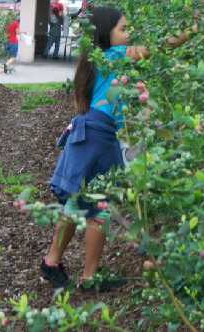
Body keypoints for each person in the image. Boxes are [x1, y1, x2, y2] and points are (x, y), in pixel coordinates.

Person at [40, 6, 191, 292]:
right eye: (123, 29)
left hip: (86, 134)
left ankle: (51, 262)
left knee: (74, 203)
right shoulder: (114, 55)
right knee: (101, 208)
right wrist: (191, 31)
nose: (129, 33)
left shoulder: (95, 62)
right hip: (98, 138)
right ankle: (89, 277)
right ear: (104, 35)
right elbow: (159, 47)